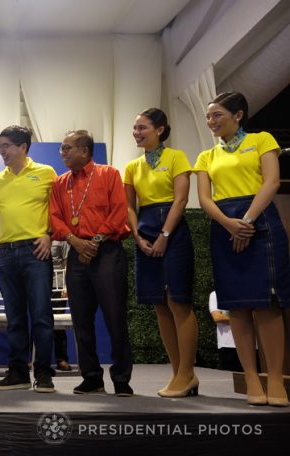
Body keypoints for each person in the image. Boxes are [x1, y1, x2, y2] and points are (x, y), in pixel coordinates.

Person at [194, 91, 290, 407]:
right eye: (208, 116)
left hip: (261, 222)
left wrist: (246, 221)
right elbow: (205, 199)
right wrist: (229, 224)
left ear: (238, 115)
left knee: (267, 304)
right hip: (224, 228)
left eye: (217, 115)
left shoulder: (262, 140)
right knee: (237, 305)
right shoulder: (207, 157)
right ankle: (251, 376)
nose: (211, 122)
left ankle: (274, 377)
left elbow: (271, 182)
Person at [0, 125, 56, 393]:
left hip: (35, 251)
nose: (1, 151)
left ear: (23, 147)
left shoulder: (46, 174)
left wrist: (49, 235)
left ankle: (43, 374)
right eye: (0, 146)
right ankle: (17, 374)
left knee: (41, 316)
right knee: (15, 318)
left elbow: (58, 210)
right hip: (6, 252)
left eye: (6, 146)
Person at [49, 130, 134, 397]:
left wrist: (94, 242)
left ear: (84, 151)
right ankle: (91, 377)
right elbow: (55, 218)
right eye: (62, 149)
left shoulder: (109, 174)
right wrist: (76, 242)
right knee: (81, 320)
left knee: (115, 317)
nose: (62, 153)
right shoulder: (60, 183)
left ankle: (121, 378)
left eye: (67, 148)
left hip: (107, 250)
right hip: (76, 252)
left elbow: (119, 211)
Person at [123, 108, 198, 398]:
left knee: (178, 301)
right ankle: (178, 374)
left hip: (174, 230)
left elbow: (181, 199)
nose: (137, 133)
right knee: (159, 304)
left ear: (161, 130)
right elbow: (130, 206)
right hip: (145, 230)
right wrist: (137, 236)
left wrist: (165, 234)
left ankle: (187, 373)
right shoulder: (132, 166)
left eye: (142, 127)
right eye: (134, 128)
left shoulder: (177, 157)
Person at [208, 291, 244, 372]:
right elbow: (217, 317)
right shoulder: (215, 294)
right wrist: (244, 318)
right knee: (231, 379)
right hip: (228, 346)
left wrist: (227, 315)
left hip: (252, 345)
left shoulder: (248, 292)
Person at [51, 240, 72, 372]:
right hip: (39, 285)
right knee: (38, 323)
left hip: (58, 286)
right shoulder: (36, 235)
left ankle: (62, 359)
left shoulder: (62, 240)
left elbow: (66, 263)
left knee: (58, 324)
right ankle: (37, 359)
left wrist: (66, 285)